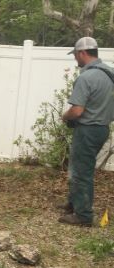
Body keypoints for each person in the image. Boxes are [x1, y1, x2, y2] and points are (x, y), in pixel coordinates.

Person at [59, 37, 114, 227]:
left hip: (87, 130)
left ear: (82, 53)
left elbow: (77, 111)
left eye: (75, 55)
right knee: (79, 168)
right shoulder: (110, 73)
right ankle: (73, 203)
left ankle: (83, 215)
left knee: (81, 172)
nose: (75, 59)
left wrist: (64, 116)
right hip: (102, 129)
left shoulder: (86, 77)